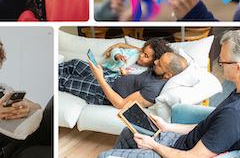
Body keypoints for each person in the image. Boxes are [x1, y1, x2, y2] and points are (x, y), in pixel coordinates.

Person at [60, 30, 240, 158]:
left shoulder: (237, 114)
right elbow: (209, 128)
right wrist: (168, 126)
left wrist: (154, 145)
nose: (219, 64)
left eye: (222, 62)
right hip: (180, 144)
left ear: (239, 67)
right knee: (129, 132)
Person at [59, 44, 187, 109]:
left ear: (168, 75)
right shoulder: (160, 68)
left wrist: (100, 78)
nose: (155, 62)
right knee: (75, 64)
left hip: (103, 92)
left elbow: (120, 104)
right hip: (111, 76)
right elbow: (144, 51)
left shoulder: (153, 90)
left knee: (64, 80)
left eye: (160, 64)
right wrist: (120, 44)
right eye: (158, 59)